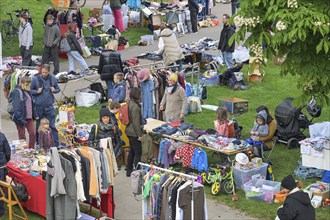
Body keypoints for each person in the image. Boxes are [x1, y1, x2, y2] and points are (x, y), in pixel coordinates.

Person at [30, 64, 60, 147]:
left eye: (46, 73)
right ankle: (38, 144)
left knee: (52, 126)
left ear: (49, 71)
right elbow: (30, 91)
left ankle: (56, 145)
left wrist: (54, 90)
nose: (44, 74)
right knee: (39, 127)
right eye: (43, 72)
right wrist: (37, 92)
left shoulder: (53, 78)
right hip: (39, 107)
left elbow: (58, 89)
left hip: (49, 106)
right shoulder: (35, 79)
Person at [10, 76, 37, 149]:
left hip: (29, 117)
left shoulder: (28, 92)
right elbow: (17, 108)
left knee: (33, 133)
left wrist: (34, 114)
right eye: (27, 84)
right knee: (22, 137)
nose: (29, 86)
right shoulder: (17, 92)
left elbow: (31, 104)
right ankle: (24, 151)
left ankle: (31, 149)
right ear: (23, 83)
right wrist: (20, 119)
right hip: (20, 118)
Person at [126, 87, 144, 177]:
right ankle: (137, 172)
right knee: (138, 153)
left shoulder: (130, 103)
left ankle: (129, 170)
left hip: (129, 130)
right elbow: (136, 122)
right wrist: (139, 135)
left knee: (132, 151)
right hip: (134, 132)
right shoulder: (135, 107)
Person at [0, 132, 10, 218]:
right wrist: (6, 160)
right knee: (1, 188)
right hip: (1, 166)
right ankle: (0, 210)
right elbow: (7, 151)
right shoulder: (2, 136)